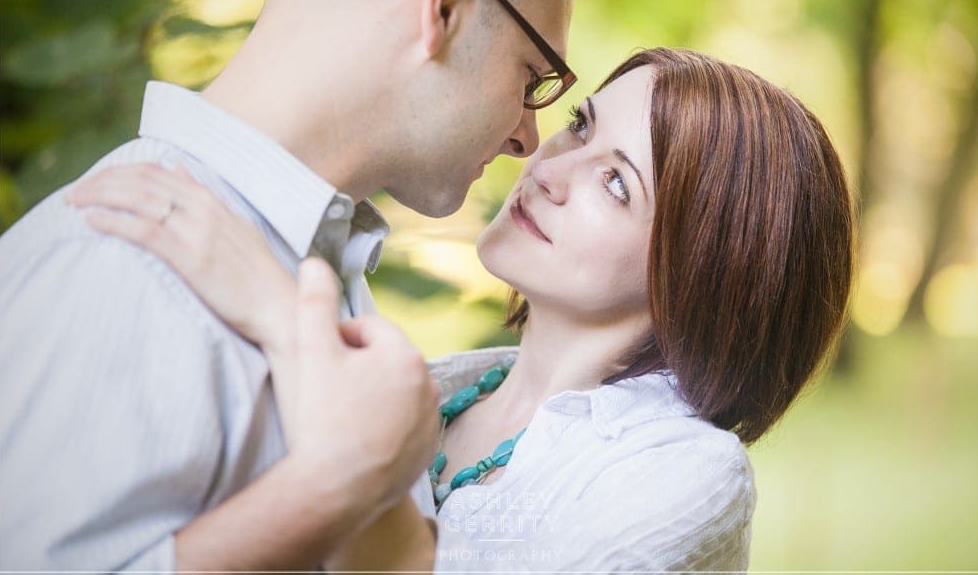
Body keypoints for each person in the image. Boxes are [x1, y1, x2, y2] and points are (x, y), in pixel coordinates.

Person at [68, 47, 857, 571]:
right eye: (580, 125)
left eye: (616, 183)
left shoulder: (690, 476)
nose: (550, 168)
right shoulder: (440, 389)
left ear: (705, 272)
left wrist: (283, 313)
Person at [0, 0, 575, 570]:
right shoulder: (119, 259)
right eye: (533, 78)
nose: (527, 137)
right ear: (444, 3)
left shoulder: (311, 278)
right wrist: (345, 482)